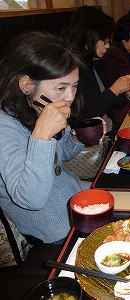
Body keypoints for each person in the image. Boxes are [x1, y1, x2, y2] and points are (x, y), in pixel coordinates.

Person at [0, 32, 91, 244]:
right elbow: (31, 199)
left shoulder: (38, 106)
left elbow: (63, 156)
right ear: (26, 85)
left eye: (74, 86)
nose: (70, 97)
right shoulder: (5, 126)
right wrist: (42, 136)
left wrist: (77, 138)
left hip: (75, 198)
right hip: (54, 228)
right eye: (61, 88)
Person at [62, 6, 130, 138]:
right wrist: (114, 90)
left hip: (106, 130)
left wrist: (128, 91)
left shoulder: (92, 61)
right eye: (105, 41)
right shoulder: (72, 69)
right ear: (89, 36)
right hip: (90, 139)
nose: (108, 46)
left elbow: (109, 101)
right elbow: (83, 117)